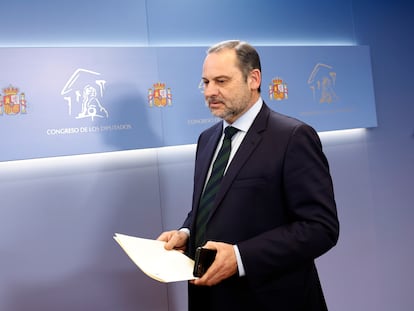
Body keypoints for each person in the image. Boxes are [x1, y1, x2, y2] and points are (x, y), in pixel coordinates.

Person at [157, 40, 339, 311]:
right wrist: (187, 232)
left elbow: (320, 228)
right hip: (209, 298)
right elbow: (211, 206)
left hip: (271, 300)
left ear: (253, 79)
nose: (210, 92)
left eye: (221, 81)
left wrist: (240, 258)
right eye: (205, 82)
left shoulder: (293, 137)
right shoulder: (206, 140)